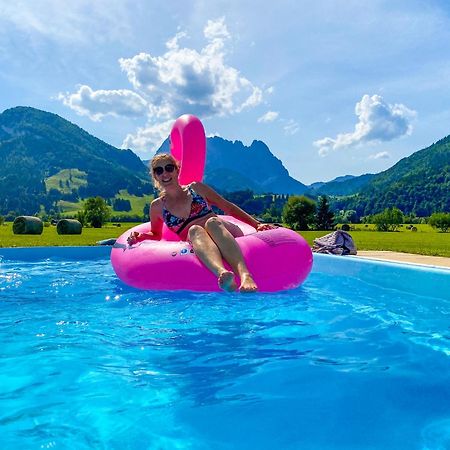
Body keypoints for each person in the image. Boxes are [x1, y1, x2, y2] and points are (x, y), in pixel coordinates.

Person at [127, 153, 274, 292]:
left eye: (169, 168)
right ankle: (223, 274)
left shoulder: (196, 188)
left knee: (211, 222)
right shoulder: (157, 206)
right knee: (194, 229)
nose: (165, 173)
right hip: (198, 239)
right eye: (159, 171)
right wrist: (141, 237)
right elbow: (157, 234)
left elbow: (227, 207)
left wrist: (256, 224)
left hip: (221, 229)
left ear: (177, 170)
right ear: (155, 176)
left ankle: (245, 276)